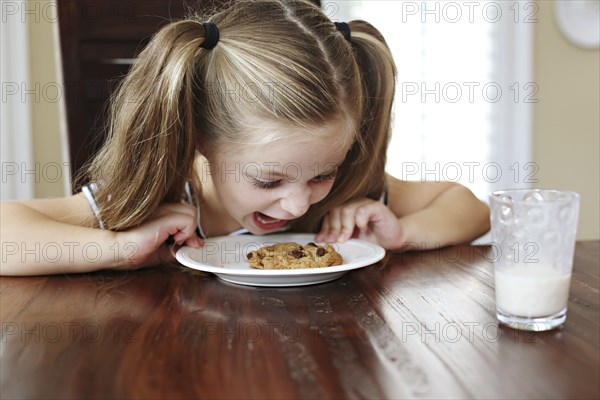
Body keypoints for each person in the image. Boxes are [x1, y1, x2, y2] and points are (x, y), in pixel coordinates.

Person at [0, 0, 490, 276]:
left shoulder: (345, 198)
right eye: (267, 180)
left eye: (323, 172)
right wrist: (118, 247)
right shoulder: (164, 196)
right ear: (201, 141)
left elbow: (468, 206)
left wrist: (402, 235)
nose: (298, 205)